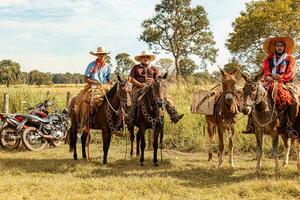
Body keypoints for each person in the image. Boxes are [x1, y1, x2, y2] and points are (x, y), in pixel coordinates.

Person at [242, 37, 298, 137]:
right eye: (278, 46)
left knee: (294, 101)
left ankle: (291, 126)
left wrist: (281, 77)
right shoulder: (268, 59)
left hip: (285, 84)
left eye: (281, 46)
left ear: (284, 47)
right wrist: (271, 77)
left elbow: (291, 73)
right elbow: (266, 70)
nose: (279, 47)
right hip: (269, 82)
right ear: (275, 47)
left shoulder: (290, 59)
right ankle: (251, 125)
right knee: (253, 94)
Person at [127, 51, 184, 125]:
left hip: (152, 89)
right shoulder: (135, 68)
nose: (145, 58)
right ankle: (130, 116)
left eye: (147, 57)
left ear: (150, 59)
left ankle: (174, 116)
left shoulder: (154, 69)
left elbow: (159, 79)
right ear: (141, 59)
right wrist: (141, 84)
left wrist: (153, 83)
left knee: (166, 98)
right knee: (135, 97)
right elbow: (131, 79)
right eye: (143, 57)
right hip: (138, 87)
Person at [74, 47, 112, 133]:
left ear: (105, 55)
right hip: (93, 87)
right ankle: (85, 123)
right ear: (97, 55)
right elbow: (86, 78)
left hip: (105, 87)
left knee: (115, 100)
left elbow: (108, 79)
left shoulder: (108, 66)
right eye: (99, 54)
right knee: (88, 101)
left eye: (103, 54)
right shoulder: (91, 65)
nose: (101, 55)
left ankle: (115, 124)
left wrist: (110, 83)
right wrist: (94, 82)